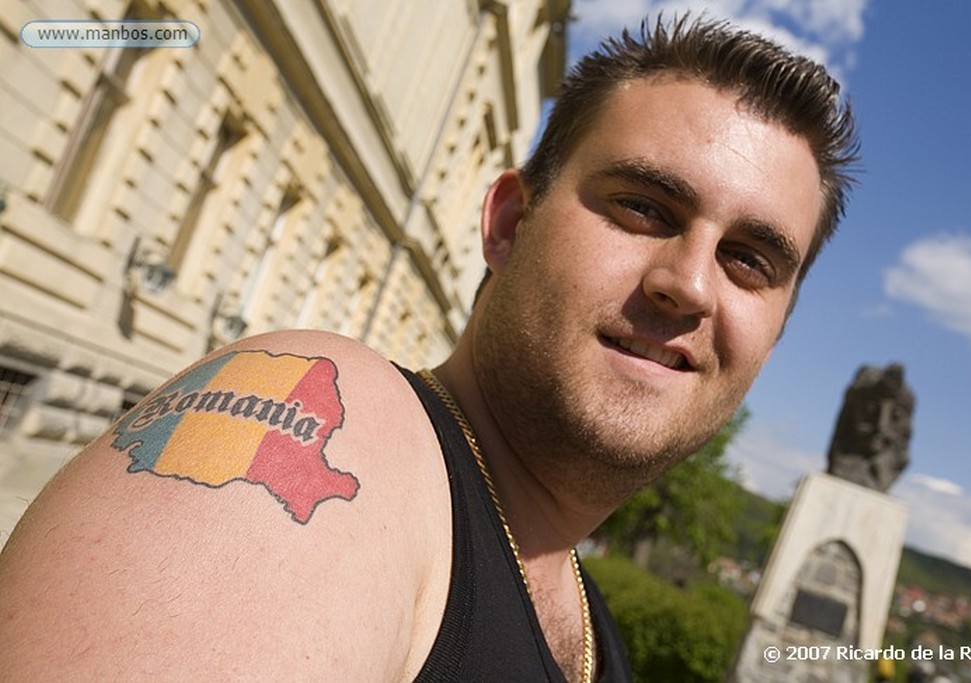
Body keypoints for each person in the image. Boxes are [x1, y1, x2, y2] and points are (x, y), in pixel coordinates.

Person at [0, 13, 858, 682]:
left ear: (773, 339)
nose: (691, 284)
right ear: (509, 224)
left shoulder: (594, 629)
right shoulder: (333, 429)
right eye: (643, 207)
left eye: (749, 260)